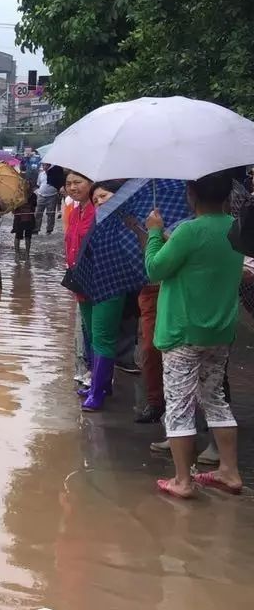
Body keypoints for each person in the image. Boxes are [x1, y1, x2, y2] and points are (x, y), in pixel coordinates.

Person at [144, 170, 245, 498]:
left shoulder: (188, 230)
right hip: (220, 329)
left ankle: (182, 480)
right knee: (215, 397)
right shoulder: (237, 228)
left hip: (183, 332)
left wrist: (155, 234)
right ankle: (229, 471)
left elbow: (155, 269)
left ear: (191, 193)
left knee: (179, 403)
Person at [66, 172, 126, 411]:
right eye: (68, 183)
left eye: (78, 182)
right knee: (91, 333)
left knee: (102, 336)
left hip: (107, 281)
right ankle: (99, 383)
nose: (73, 187)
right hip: (82, 282)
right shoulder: (76, 211)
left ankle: (98, 391)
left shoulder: (111, 215)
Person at [13, 181, 37, 254]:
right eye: (24, 184)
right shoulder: (17, 194)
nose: (26, 186)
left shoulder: (33, 195)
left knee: (28, 236)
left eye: (28, 184)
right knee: (18, 235)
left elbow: (34, 206)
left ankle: (27, 254)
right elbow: (14, 206)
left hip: (29, 218)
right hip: (19, 218)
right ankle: (17, 253)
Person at [35, 163, 60, 234]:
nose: (44, 167)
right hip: (41, 196)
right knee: (38, 213)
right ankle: (36, 229)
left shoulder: (55, 174)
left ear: (50, 166)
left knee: (51, 214)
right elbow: (39, 184)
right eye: (43, 165)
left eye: (46, 165)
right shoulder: (41, 174)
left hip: (52, 196)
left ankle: (49, 229)